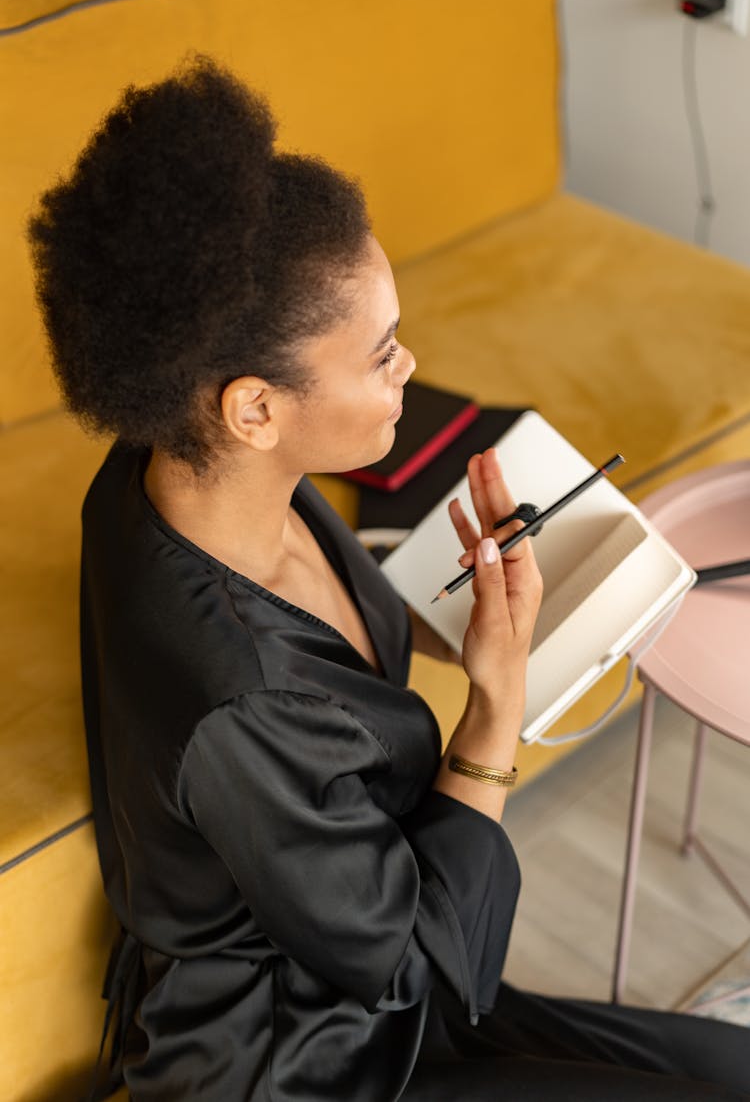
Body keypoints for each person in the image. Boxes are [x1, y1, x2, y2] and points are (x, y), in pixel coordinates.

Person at [28, 56, 750, 1102]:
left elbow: (324, 690)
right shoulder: (238, 701)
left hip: (367, 958)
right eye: (382, 354)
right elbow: (424, 972)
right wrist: (497, 705)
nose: (408, 369)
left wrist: (461, 609)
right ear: (253, 408)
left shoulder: (176, 468)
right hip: (306, 1059)